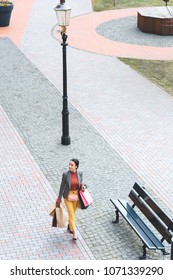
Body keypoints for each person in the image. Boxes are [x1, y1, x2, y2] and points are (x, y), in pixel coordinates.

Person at [56, 158, 84, 240]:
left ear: (76, 166)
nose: (70, 166)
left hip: (76, 197)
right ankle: (74, 232)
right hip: (67, 197)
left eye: (72, 165)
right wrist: (59, 198)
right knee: (71, 214)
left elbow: (81, 183)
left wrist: (83, 186)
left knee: (73, 214)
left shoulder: (80, 173)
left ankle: (70, 225)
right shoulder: (65, 174)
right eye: (69, 164)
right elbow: (62, 186)